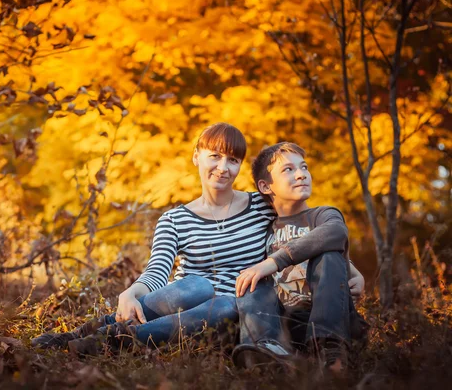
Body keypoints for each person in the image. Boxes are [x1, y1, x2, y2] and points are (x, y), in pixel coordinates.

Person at [31, 124, 363, 361]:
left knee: (227, 301)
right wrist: (132, 290)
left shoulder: (262, 204)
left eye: (232, 160)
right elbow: (159, 269)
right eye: (215, 156)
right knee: (198, 286)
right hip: (187, 309)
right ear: (197, 157)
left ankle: (109, 341)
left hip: (239, 316)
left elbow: (304, 230)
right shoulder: (175, 219)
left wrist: (349, 268)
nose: (223, 167)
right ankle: (81, 335)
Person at [233, 142, 368, 373]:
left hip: (335, 324)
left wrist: (274, 262)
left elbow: (335, 234)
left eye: (304, 168)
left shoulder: (322, 214)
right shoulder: (265, 229)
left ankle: (330, 352)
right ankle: (265, 350)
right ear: (266, 186)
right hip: (290, 324)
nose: (301, 175)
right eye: (288, 170)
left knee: (326, 251)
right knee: (250, 278)